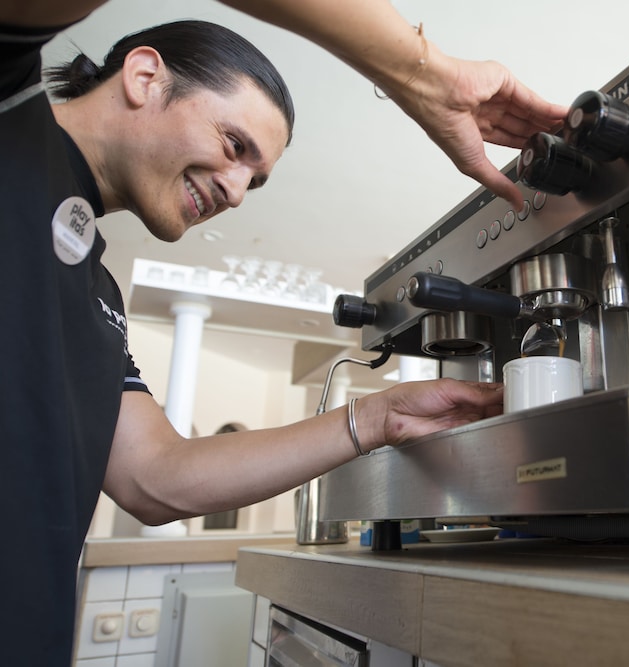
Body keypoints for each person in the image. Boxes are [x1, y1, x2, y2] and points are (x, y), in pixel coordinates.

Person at [0, 2, 566, 664]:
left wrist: (378, 417)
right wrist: (423, 73)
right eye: (234, 145)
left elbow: (157, 478)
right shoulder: (10, 111)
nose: (238, 192)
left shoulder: (99, 295)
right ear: (145, 76)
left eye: (256, 179)